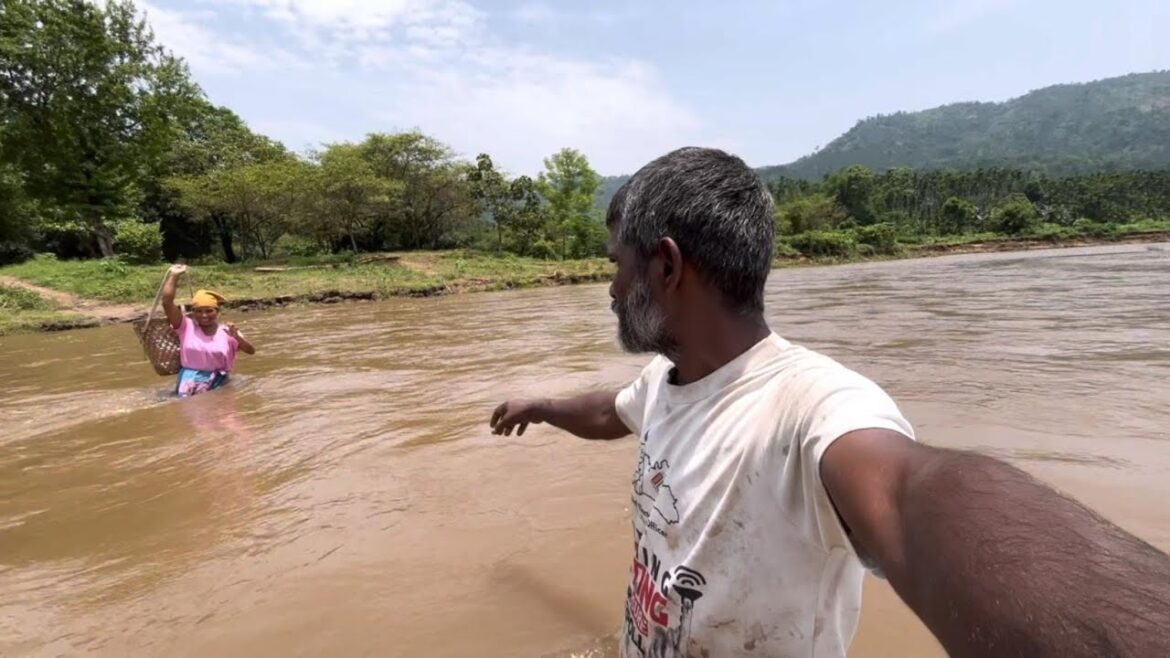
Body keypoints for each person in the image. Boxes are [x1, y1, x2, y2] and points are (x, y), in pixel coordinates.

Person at [490, 147, 1170, 657]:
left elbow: (913, 494)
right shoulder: (669, 385)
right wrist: (543, 404)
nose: (611, 289)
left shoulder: (814, 406)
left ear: (665, 268)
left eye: (617, 265)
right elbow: (613, 410)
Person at [162, 264, 255, 397]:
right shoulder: (186, 327)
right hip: (188, 384)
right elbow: (167, 303)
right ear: (193, 313)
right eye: (199, 311)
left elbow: (251, 351)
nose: (204, 315)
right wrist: (174, 276)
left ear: (217, 312)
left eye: (209, 311)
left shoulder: (227, 331)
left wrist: (237, 338)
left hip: (219, 384)